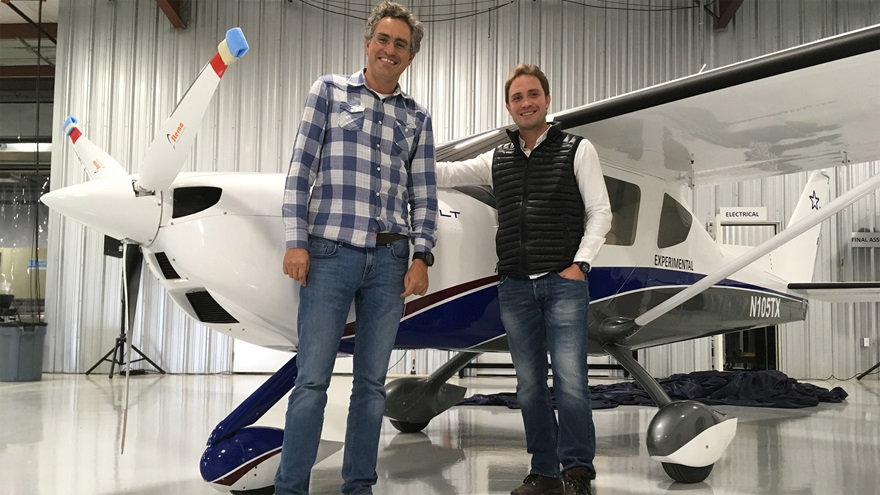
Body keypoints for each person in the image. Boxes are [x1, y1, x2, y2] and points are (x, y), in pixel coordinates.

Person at [276, 2, 437, 494]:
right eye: (383, 40)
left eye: (401, 45)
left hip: (390, 263)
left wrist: (421, 255)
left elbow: (423, 195)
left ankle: (359, 486)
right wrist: (296, 242)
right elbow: (300, 170)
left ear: (410, 57)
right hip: (328, 255)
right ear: (368, 43)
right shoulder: (328, 92)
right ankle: (291, 487)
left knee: (370, 387)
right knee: (311, 382)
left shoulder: (417, 118)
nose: (390, 50)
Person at [436, 64, 611, 495]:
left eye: (533, 94)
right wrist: (401, 159)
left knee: (571, 383)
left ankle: (577, 473)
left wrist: (580, 265)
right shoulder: (498, 158)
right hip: (514, 284)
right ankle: (545, 473)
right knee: (529, 385)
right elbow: (448, 173)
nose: (526, 102)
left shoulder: (578, 149)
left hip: (563, 282)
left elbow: (600, 212)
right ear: (509, 106)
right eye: (517, 97)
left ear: (548, 100)